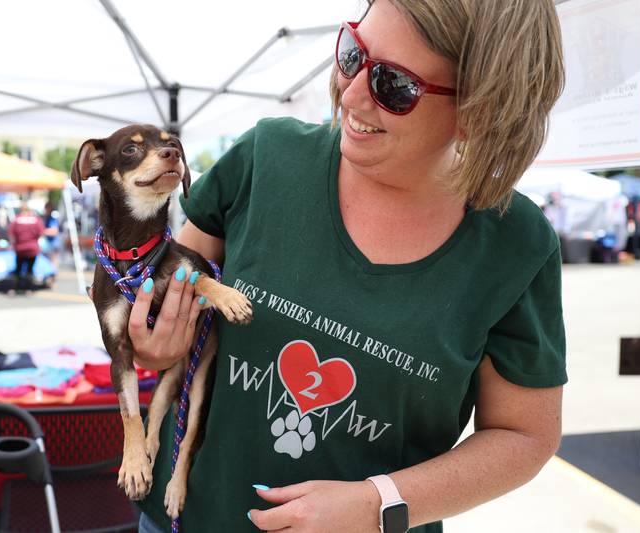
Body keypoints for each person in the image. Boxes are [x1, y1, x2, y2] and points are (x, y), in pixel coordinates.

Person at [131, 1, 567, 531]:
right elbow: (165, 291)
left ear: (482, 110)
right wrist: (155, 343)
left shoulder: (516, 245)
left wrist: (379, 503)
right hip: (187, 515)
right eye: (351, 52)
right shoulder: (266, 159)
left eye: (394, 85)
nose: (351, 92)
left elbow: (525, 435)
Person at [8, 202, 44, 293]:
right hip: (32, 248)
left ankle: (15, 288)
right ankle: (28, 289)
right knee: (29, 270)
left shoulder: (17, 220)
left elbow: (11, 233)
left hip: (20, 248)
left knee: (18, 269)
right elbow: (40, 233)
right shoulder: (36, 220)